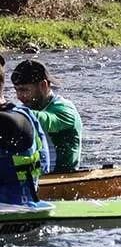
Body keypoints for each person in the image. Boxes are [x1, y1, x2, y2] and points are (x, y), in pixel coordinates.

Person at [11, 59, 83, 173]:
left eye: (24, 90)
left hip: (62, 178)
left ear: (43, 85)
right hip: (37, 174)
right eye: (16, 90)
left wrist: (8, 112)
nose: (19, 96)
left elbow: (46, 121)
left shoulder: (65, 110)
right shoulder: (26, 108)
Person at [0, 55, 52, 208]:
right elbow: (45, 166)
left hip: (9, 212)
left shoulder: (5, 122)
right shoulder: (26, 114)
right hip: (30, 206)